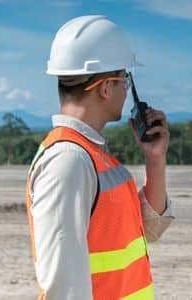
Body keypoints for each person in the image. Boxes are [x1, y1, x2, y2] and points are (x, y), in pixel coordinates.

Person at [25, 15, 174, 299]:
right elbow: (63, 287)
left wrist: (155, 160)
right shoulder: (68, 162)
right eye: (124, 80)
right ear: (106, 87)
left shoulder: (93, 155)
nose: (127, 90)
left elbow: (148, 229)